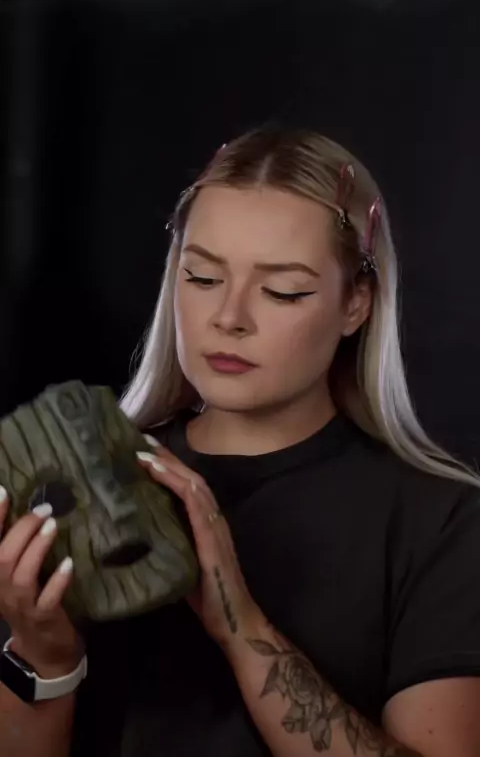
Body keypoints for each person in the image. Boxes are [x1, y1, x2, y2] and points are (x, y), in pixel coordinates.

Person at [1, 127, 480, 757]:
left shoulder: (441, 522)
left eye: (283, 290)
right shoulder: (82, 481)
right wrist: (44, 656)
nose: (229, 317)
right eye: (202, 277)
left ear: (356, 304)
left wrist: (239, 624)